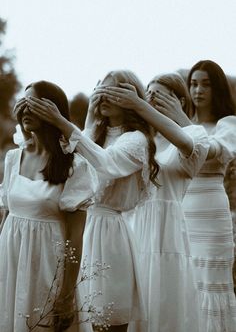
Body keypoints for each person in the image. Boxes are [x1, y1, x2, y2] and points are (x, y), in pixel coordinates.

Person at [27, 70, 209, 332]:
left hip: (111, 234)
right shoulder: (95, 135)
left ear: (131, 96)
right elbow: (76, 169)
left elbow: (107, 164)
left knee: (107, 318)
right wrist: (89, 119)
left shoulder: (135, 140)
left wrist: (63, 122)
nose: (104, 95)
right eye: (100, 88)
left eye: (113, 90)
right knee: (76, 317)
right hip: (81, 230)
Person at [94, 73, 212, 332]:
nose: (147, 100)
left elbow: (186, 144)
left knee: (164, 298)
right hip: (130, 224)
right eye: (146, 94)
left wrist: (139, 105)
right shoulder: (137, 137)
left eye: (157, 96)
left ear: (179, 100)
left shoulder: (193, 134)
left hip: (166, 230)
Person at [0, 80, 98, 332]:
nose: (25, 111)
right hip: (10, 260)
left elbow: (76, 236)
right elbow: (6, 217)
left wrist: (66, 294)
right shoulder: (13, 159)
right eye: (22, 104)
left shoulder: (74, 165)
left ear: (53, 111)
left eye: (34, 105)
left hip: (46, 263)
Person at [149, 61, 236, 331]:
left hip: (211, 214)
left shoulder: (228, 124)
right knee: (182, 282)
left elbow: (207, 150)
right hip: (180, 211)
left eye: (206, 84)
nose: (198, 90)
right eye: (194, 84)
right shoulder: (172, 129)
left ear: (218, 89)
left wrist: (179, 118)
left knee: (209, 282)